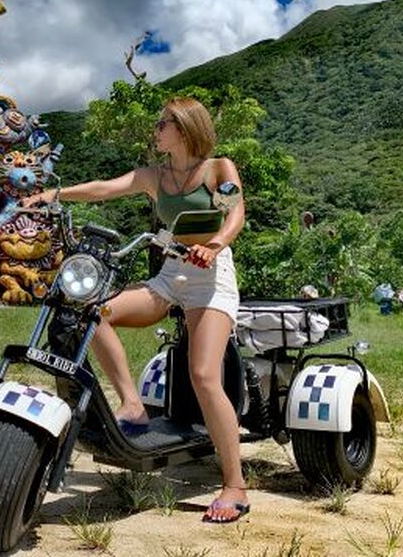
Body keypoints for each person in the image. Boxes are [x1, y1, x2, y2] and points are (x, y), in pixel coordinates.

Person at [24, 96, 248, 523]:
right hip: (171, 274)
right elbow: (105, 188)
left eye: (163, 124)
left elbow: (234, 214)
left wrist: (215, 245)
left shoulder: (218, 169)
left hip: (212, 277)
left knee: (204, 375)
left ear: (184, 127)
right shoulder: (155, 176)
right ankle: (133, 404)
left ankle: (234, 484)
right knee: (94, 313)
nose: (156, 130)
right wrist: (52, 194)